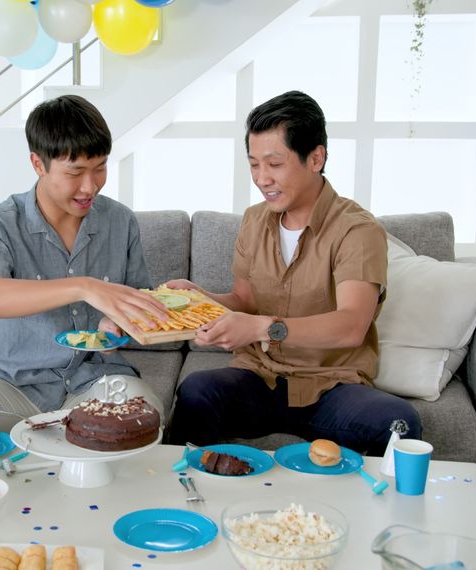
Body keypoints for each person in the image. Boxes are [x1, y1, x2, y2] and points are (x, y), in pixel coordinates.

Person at [165, 91, 421, 455]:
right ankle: (185, 501)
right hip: (259, 378)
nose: (262, 178)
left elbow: (351, 326)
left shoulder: (357, 230)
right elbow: (244, 300)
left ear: (316, 158)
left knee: (400, 423)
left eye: (274, 164)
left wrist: (262, 328)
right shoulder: (254, 221)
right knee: (196, 392)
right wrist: (198, 296)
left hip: (330, 387)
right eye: (254, 164)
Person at [0, 94, 169, 431]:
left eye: (100, 167)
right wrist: (84, 287)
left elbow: (136, 300)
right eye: (75, 171)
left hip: (97, 381)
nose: (90, 186)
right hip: (13, 385)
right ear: (38, 164)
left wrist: (120, 322)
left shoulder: (120, 221)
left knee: (145, 413)